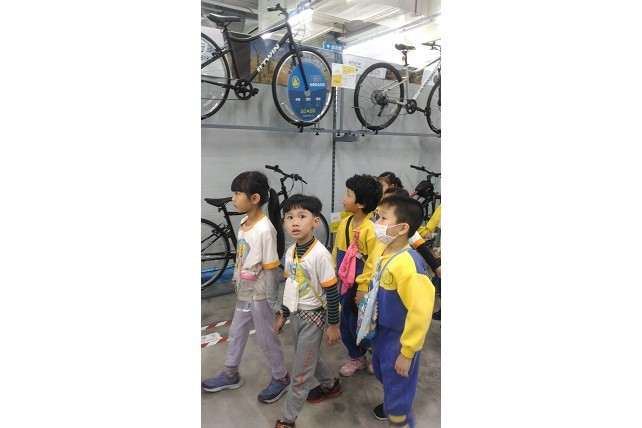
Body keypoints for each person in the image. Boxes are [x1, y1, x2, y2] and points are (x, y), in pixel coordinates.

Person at [201, 171, 290, 404]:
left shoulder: (265, 230)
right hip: (244, 291)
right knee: (236, 331)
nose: (233, 198)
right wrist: (236, 276)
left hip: (260, 295)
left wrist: (273, 303)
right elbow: (242, 256)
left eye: (238, 193)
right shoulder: (243, 223)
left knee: (266, 338)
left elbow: (271, 269)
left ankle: (281, 377)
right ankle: (231, 373)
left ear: (255, 198)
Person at [272, 194, 342, 428]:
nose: (295, 222)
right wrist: (283, 314)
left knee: (301, 371)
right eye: (289, 217)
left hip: (314, 318)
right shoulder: (290, 252)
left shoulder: (320, 255)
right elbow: (291, 285)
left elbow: (332, 292)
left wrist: (334, 325)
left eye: (302, 216)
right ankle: (330, 385)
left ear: (315, 221)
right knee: (308, 355)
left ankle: (287, 419)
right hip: (295, 315)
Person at [367, 195, 436, 426]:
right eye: (378, 216)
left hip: (399, 337)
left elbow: (420, 312)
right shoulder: (385, 251)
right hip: (381, 331)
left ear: (403, 228)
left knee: (399, 387)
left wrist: (407, 352)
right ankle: (393, 403)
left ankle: (401, 419)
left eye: (383, 218)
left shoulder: (408, 264)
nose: (377, 222)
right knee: (384, 374)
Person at [333, 174, 382, 377]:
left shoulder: (372, 229)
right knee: (346, 322)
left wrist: (362, 288)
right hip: (345, 285)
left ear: (361, 203)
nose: (344, 199)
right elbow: (337, 251)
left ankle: (376, 355)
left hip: (363, 288)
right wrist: (332, 275)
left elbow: (374, 262)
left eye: (348, 195)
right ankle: (356, 357)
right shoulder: (345, 223)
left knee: (367, 323)